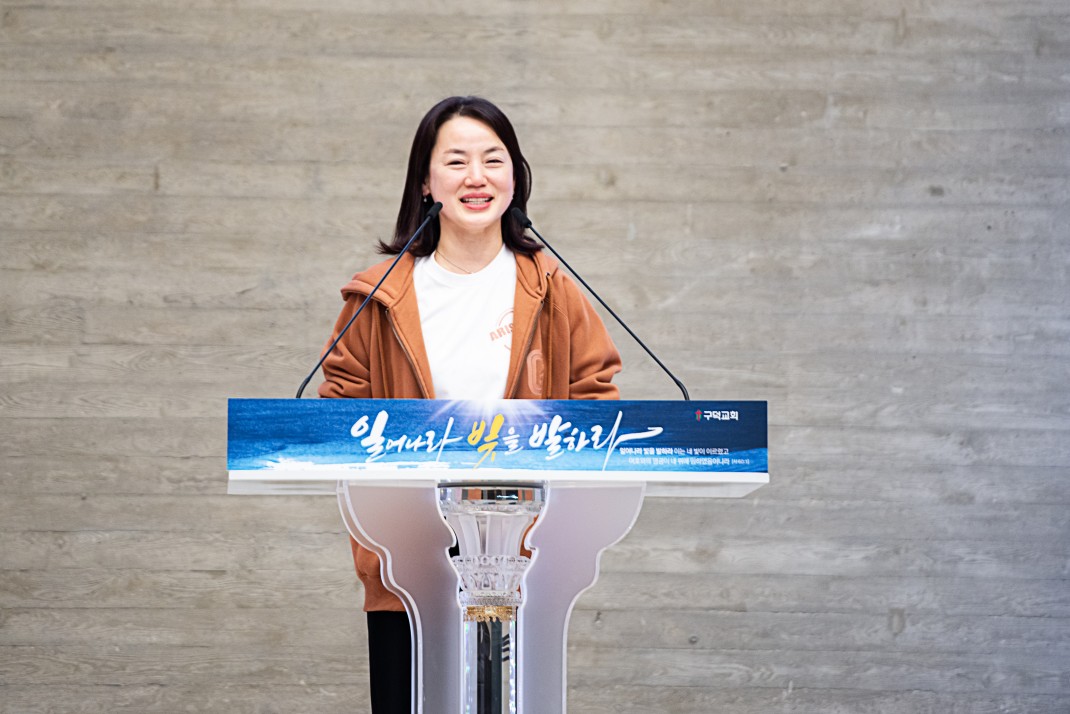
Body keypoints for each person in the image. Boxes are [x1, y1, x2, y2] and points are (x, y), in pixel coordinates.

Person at [317, 95, 622, 714]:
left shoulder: (555, 290)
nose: (476, 177)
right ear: (426, 182)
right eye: (456, 161)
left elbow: (595, 402)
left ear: (515, 177)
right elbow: (336, 419)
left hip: (525, 567)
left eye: (493, 160)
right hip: (408, 567)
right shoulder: (378, 295)